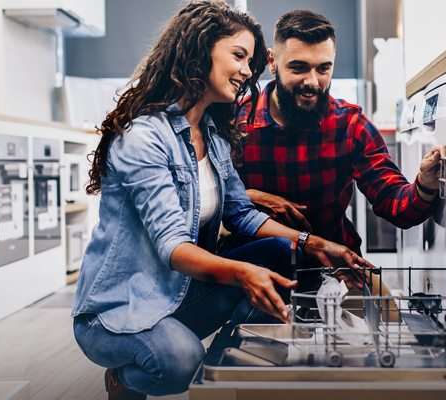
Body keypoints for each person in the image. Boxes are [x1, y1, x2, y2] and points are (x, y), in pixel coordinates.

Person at [69, 2, 373, 399]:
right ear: (199, 50)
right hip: (119, 308)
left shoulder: (211, 134)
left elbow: (241, 213)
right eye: (239, 55)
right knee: (178, 362)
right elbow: (173, 247)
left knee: (283, 254)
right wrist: (242, 273)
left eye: (250, 59)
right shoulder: (144, 136)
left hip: (178, 293)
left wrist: (314, 245)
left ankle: (222, 377)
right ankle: (125, 378)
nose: (249, 70)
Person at [231, 10, 446, 302]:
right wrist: (249, 196)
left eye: (323, 69)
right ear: (272, 61)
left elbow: (397, 206)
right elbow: (208, 203)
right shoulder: (235, 124)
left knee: (387, 329)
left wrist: (425, 184)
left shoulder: (350, 126)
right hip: (254, 267)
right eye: (299, 67)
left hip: (338, 267)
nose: (312, 81)